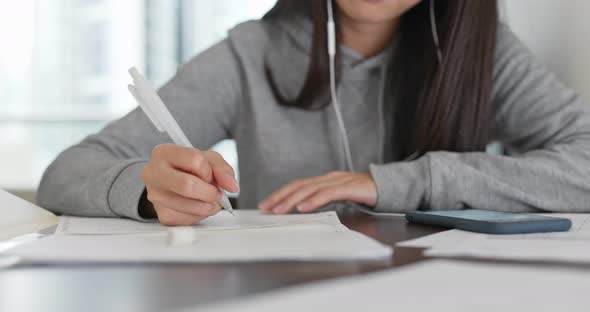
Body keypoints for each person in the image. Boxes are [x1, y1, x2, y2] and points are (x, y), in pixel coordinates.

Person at [37, 0, 590, 226]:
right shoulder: (250, 52)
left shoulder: (483, 55)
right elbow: (66, 173)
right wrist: (148, 189)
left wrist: (403, 182)